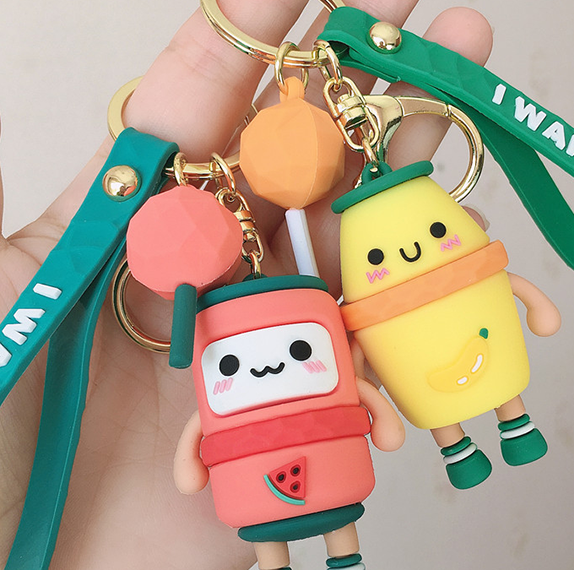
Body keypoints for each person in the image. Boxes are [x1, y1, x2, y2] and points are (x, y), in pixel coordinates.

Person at [0, 1, 493, 568]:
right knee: (278, 520)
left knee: (319, 510)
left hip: (301, 446)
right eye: (230, 365)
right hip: (252, 460)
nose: (264, 369)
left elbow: (198, 439)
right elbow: (208, 430)